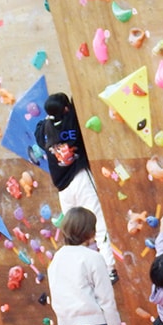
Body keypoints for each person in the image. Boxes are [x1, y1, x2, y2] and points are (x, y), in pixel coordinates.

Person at [34, 92, 119, 284]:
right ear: (66, 109)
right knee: (99, 223)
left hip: (63, 188)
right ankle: (109, 269)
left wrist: (51, 116)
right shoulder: (72, 120)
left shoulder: (44, 130)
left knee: (74, 231)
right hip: (80, 178)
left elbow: (39, 130)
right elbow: (76, 104)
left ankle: (83, 272)